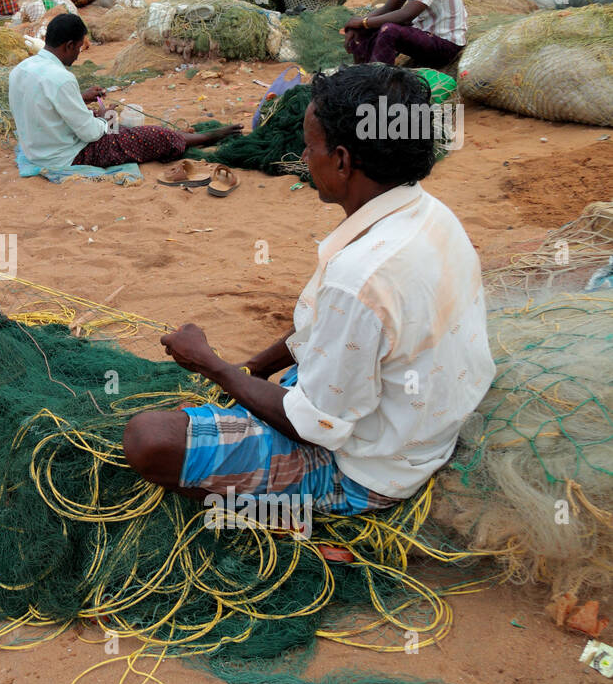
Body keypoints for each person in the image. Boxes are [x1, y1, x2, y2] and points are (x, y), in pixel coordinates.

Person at [122, 64, 494, 516]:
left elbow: (313, 427)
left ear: (341, 160)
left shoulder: (359, 277)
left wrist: (212, 365)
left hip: (368, 471)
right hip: (416, 424)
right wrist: (255, 368)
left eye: (310, 145)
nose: (303, 154)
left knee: (149, 441)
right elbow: (332, 328)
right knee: (262, 390)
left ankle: (286, 513)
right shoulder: (428, 212)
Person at [9, 14, 240, 171]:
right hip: (64, 157)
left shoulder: (20, 70)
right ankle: (207, 137)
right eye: (79, 48)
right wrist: (103, 118)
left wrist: (82, 99)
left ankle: (181, 136)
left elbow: (43, 104)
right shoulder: (62, 78)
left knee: (128, 130)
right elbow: (91, 135)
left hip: (36, 150)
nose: (79, 54)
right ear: (68, 45)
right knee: (152, 136)